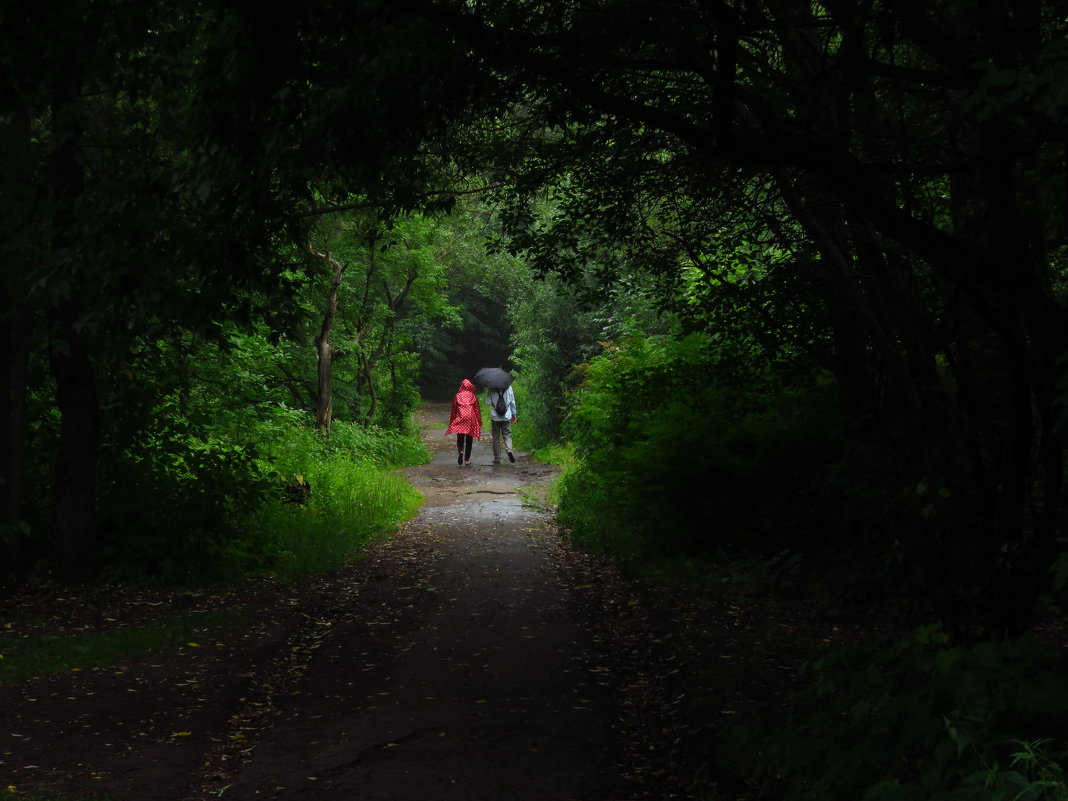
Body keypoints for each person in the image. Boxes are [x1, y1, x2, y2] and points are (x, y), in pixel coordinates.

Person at [445, 378, 482, 466]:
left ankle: (461, 451)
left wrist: (452, 421)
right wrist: (479, 421)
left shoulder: (458, 396)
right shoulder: (472, 396)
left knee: (460, 438)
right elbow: (477, 410)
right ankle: (466, 460)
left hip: (460, 419)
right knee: (469, 440)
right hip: (470, 420)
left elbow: (454, 410)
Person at [487, 383, 517, 464]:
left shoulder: (492, 387)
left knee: (496, 437)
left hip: (495, 416)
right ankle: (509, 450)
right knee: (507, 435)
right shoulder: (508, 387)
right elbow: (512, 401)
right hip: (506, 415)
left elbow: (488, 402)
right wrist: (514, 413)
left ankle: (497, 458)